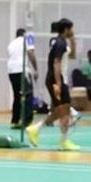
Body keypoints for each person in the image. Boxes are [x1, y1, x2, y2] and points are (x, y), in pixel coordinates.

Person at [26, 18, 81, 151]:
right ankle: (40, 130)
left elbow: (72, 56)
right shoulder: (60, 43)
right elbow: (56, 63)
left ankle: (60, 139)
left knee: (62, 112)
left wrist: (73, 40)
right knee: (64, 111)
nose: (72, 31)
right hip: (57, 80)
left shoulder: (62, 43)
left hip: (57, 79)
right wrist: (58, 84)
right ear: (66, 29)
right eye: (71, 29)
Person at [7, 28, 38, 129]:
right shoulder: (28, 38)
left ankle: (15, 120)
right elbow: (30, 53)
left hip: (11, 71)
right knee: (28, 95)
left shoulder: (11, 44)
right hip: (22, 70)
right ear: (24, 34)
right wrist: (36, 69)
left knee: (17, 95)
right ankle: (26, 121)